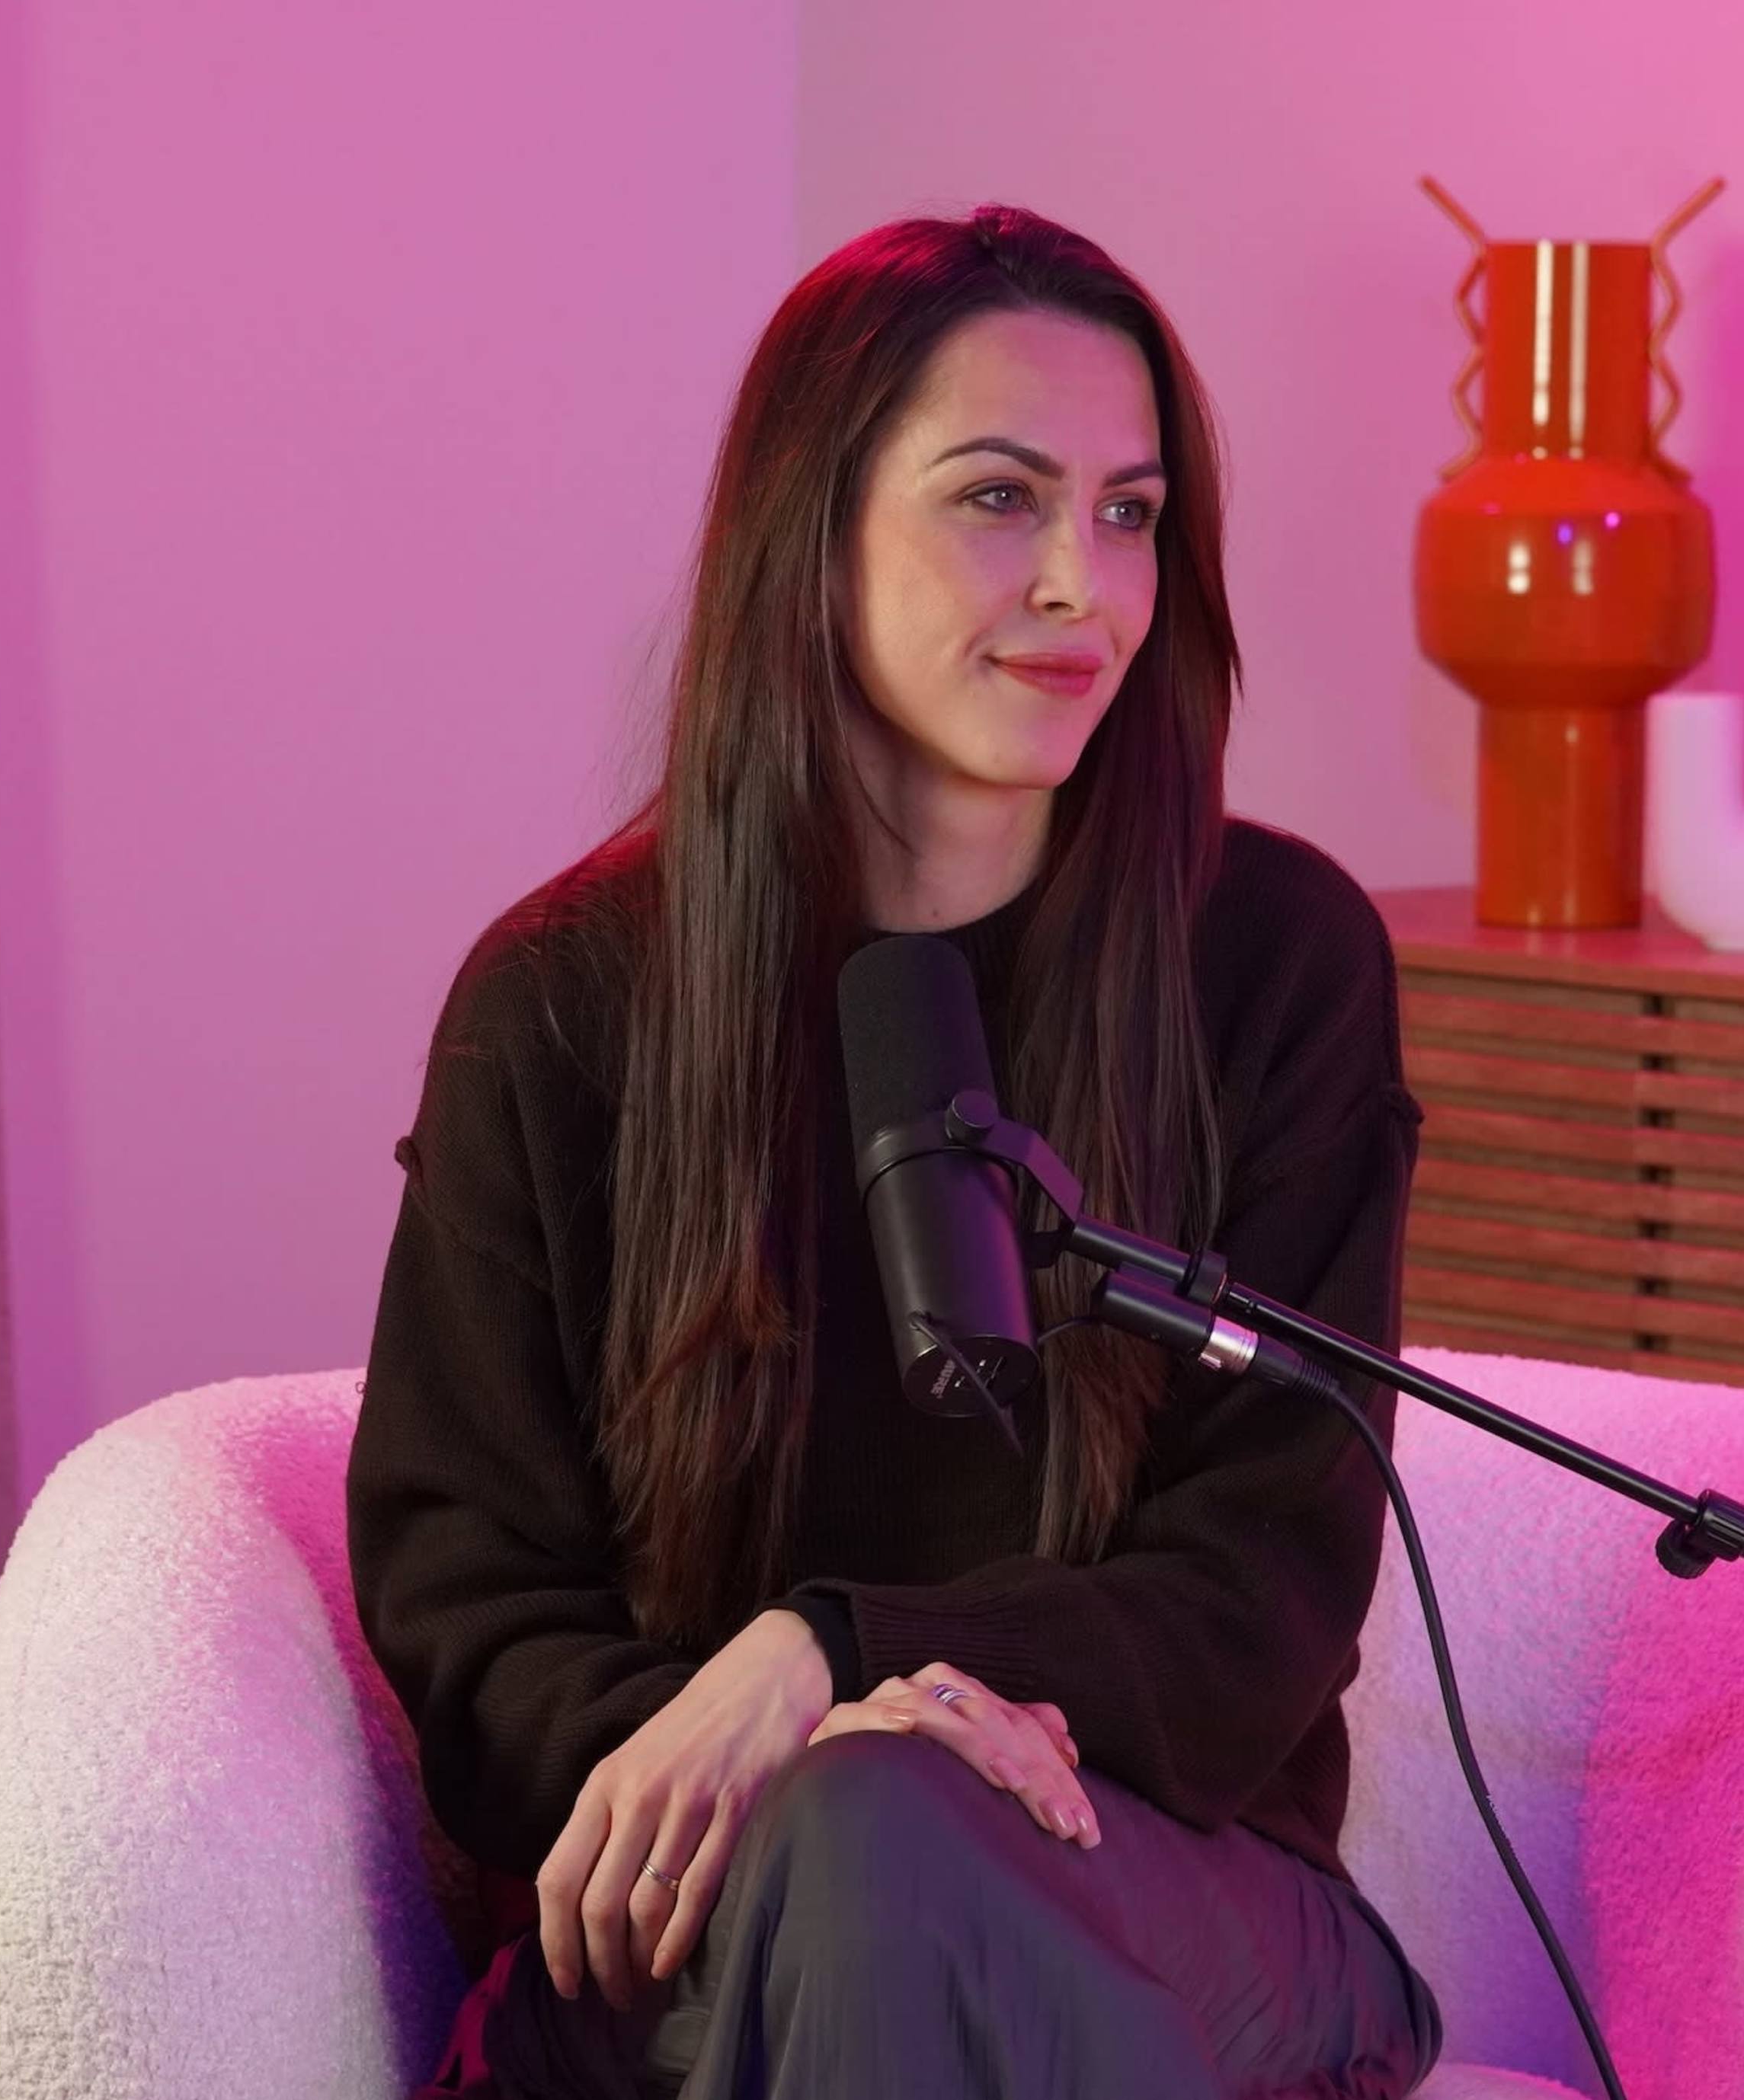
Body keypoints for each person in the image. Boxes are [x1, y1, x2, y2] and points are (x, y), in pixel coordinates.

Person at [349, 203, 1442, 2100]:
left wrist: (832, 1647)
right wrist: (797, 1740)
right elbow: (468, 1601)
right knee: (861, 1858)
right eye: (999, 499)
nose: (1084, 588)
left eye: (1130, 513)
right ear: (814, 530)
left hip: (1170, 1884)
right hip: (710, 1896)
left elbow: (1269, 1582)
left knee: (895, 1864)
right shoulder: (564, 1000)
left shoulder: (1276, 964)